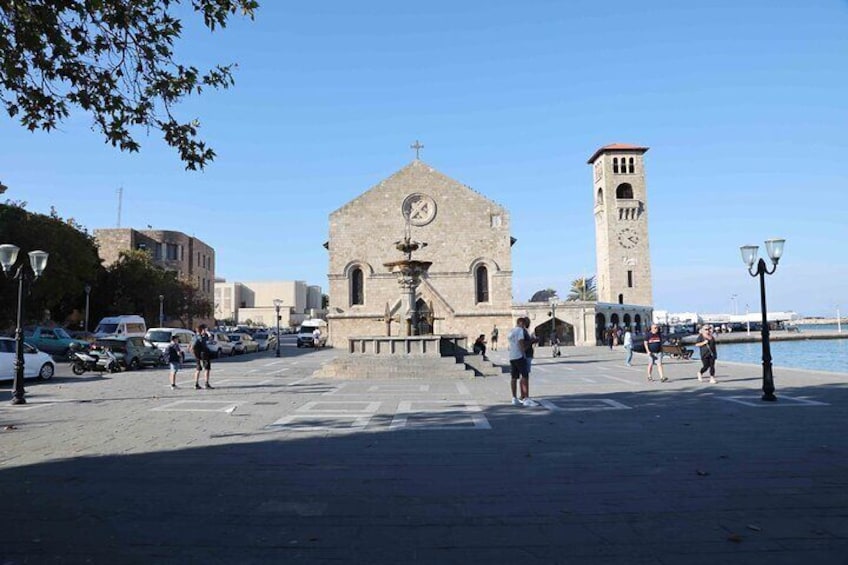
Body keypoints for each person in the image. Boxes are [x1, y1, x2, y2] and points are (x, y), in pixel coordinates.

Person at [507, 317, 537, 407]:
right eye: (524, 324)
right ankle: (526, 398)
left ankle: (514, 398)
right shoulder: (520, 330)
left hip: (512, 356)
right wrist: (524, 351)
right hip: (519, 356)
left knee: (514, 377)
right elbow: (521, 343)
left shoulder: (511, 331)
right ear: (521, 323)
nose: (524, 326)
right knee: (524, 376)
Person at [192, 324, 213, 389]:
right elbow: (210, 338)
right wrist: (208, 333)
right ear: (202, 330)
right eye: (205, 329)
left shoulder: (194, 336)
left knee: (198, 369)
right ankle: (206, 384)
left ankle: (196, 384)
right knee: (207, 369)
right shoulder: (201, 337)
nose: (206, 331)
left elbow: (192, 346)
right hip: (204, 354)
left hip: (197, 355)